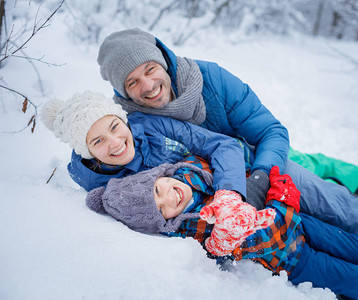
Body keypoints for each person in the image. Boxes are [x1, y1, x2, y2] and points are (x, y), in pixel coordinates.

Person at [95, 28, 358, 233]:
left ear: (162, 61)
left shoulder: (211, 79)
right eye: (133, 82)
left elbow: (271, 131)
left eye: (150, 69)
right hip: (220, 179)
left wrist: (260, 176)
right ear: (124, 93)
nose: (149, 85)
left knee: (318, 179)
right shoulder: (134, 122)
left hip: (255, 155)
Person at [85, 155, 358, 299]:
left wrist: (262, 180)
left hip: (303, 225)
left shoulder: (190, 171)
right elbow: (256, 238)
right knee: (347, 276)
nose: (170, 196)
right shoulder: (196, 227)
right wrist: (281, 200)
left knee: (349, 243)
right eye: (161, 207)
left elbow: (231, 167)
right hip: (293, 257)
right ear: (162, 222)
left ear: (160, 176)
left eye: (158, 188)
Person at [40, 90, 266, 210]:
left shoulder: (149, 125)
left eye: (115, 127)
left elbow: (223, 145)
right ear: (87, 151)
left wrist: (229, 193)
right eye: (98, 141)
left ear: (123, 120)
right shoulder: (100, 185)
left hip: (247, 163)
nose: (116, 142)